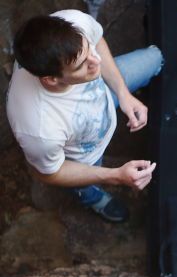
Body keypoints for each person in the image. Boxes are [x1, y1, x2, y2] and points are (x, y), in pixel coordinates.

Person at [7, 9, 163, 223]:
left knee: (155, 58)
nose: (96, 61)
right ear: (51, 79)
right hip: (85, 153)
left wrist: (123, 94)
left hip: (105, 93)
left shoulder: (73, 22)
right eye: (82, 65)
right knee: (86, 185)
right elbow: (48, 173)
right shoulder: (40, 129)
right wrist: (116, 176)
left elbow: (97, 41)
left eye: (88, 49)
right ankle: (94, 199)